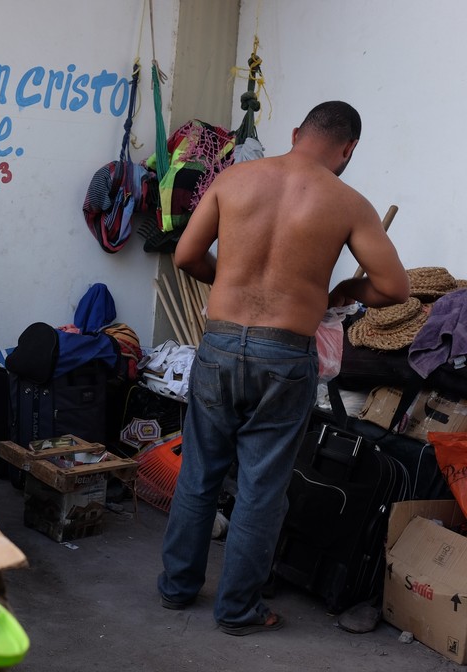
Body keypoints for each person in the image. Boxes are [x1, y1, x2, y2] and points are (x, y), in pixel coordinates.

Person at [157, 101, 409, 634]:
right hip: (284, 356)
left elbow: (185, 256)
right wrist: (346, 288)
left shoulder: (234, 179)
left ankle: (176, 588)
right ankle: (237, 610)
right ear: (349, 149)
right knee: (261, 488)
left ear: (295, 133)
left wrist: (230, 280)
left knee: (199, 474)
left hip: (220, 345)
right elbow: (394, 288)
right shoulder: (348, 203)